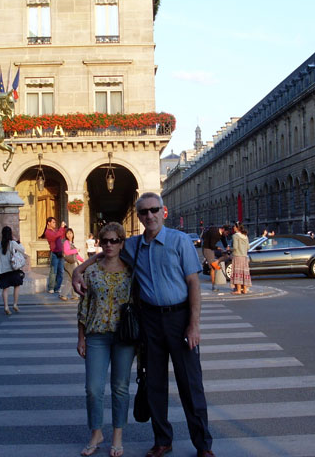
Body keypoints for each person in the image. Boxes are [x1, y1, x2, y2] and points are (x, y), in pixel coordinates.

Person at [74, 192, 215, 457]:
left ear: (163, 211)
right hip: (149, 320)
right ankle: (162, 440)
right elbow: (107, 250)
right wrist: (78, 270)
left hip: (179, 318)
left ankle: (203, 445)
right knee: (155, 384)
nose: (149, 215)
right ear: (138, 216)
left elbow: (194, 283)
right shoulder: (134, 245)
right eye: (144, 212)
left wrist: (194, 325)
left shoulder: (180, 241)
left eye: (154, 210)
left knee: (190, 384)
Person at [76, 222, 135, 457]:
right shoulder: (91, 271)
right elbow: (84, 306)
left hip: (124, 337)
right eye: (105, 241)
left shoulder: (132, 271)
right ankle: (96, 433)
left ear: (122, 243)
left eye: (114, 241)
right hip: (96, 335)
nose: (109, 245)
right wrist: (81, 337)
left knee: (120, 387)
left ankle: (117, 435)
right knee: (93, 388)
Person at [0, 226, 25, 315]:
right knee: (17, 286)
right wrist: (18, 241)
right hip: (13, 269)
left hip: (3, 270)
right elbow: (22, 250)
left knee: (5, 289)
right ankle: (15, 304)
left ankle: (6, 307)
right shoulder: (13, 243)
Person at [201, 224, 230, 292]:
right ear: (223, 229)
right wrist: (218, 248)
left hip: (213, 248)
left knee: (226, 255)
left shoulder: (222, 234)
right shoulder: (215, 233)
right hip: (207, 249)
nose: (227, 235)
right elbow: (211, 245)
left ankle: (216, 262)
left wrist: (227, 247)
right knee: (213, 268)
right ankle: (213, 286)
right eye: (227, 233)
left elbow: (224, 241)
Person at [44, 216, 66, 295]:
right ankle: (51, 288)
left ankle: (57, 287)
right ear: (49, 223)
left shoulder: (56, 230)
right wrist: (61, 228)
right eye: (53, 222)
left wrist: (64, 228)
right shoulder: (47, 232)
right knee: (53, 271)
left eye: (55, 222)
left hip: (60, 252)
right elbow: (55, 237)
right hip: (54, 253)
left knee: (61, 271)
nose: (55, 224)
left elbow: (62, 236)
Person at [61, 228, 84, 301]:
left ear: (73, 234)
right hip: (69, 263)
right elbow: (66, 252)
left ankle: (72, 295)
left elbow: (76, 255)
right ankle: (65, 294)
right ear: (66, 235)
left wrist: (82, 260)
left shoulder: (71, 243)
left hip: (72, 263)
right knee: (73, 279)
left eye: (70, 233)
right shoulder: (66, 242)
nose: (69, 235)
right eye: (67, 233)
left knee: (71, 279)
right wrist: (76, 250)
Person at [230, 222, 251, 295]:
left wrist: (229, 249)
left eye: (234, 226)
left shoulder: (235, 236)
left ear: (237, 227)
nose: (233, 228)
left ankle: (238, 290)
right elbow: (248, 247)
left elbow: (235, 247)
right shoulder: (245, 236)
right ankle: (245, 289)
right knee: (244, 273)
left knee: (238, 272)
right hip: (244, 257)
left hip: (237, 256)